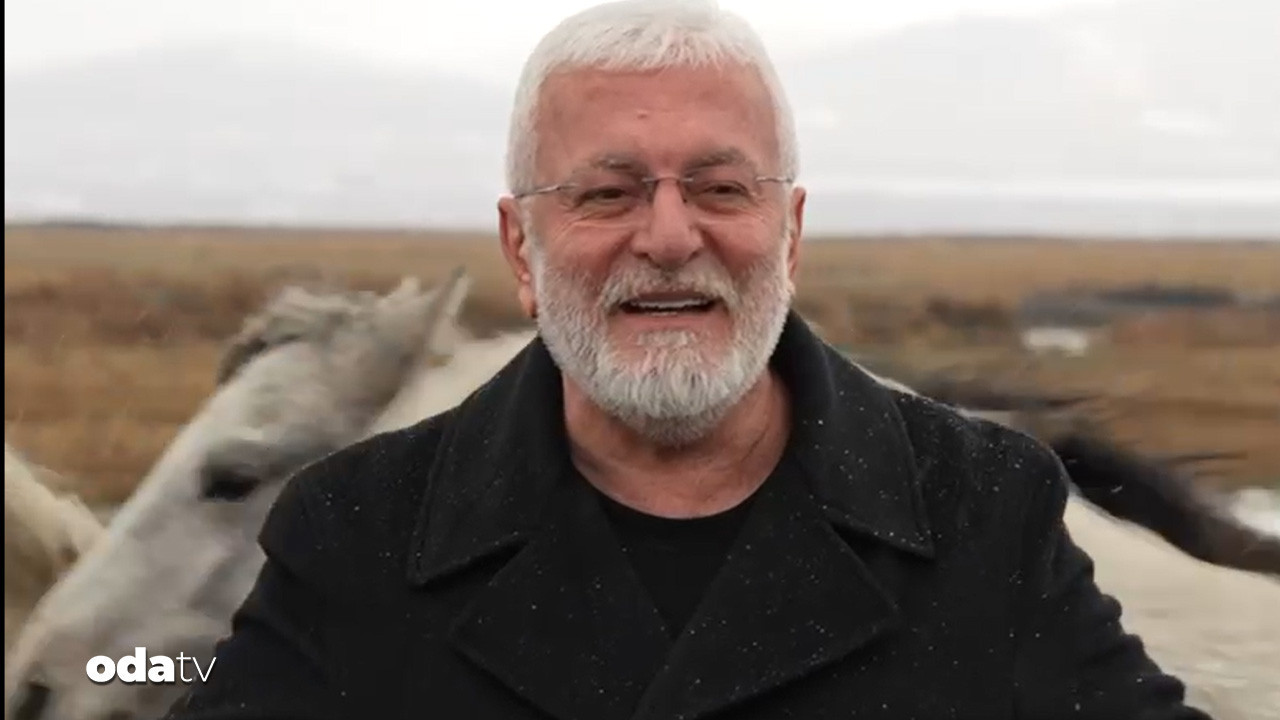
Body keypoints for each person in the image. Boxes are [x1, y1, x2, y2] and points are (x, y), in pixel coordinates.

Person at [163, 1, 1210, 718]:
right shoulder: (356, 531)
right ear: (521, 249)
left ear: (789, 236)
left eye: (720, 188)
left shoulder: (981, 509)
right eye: (607, 193)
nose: (668, 238)